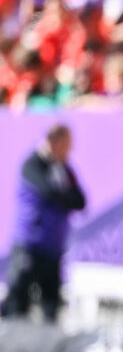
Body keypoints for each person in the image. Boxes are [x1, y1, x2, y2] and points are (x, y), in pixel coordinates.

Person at [3, 124, 86, 322]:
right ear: (53, 142)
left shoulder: (64, 170)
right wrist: (64, 195)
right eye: (65, 145)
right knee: (18, 299)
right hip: (30, 243)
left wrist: (63, 194)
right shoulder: (32, 164)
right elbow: (48, 191)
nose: (68, 151)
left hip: (53, 247)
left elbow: (80, 201)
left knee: (51, 302)